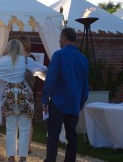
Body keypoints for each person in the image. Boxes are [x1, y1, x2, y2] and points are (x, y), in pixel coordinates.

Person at [0, 39, 47, 162]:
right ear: (20, 48)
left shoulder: (3, 61)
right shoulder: (27, 60)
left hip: (9, 96)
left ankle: (11, 157)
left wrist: (0, 71)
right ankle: (23, 157)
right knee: (25, 128)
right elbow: (44, 71)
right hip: (25, 97)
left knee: (10, 128)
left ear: (8, 48)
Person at [41, 27, 89, 162]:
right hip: (74, 102)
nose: (58, 41)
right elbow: (85, 84)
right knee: (72, 136)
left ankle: (50, 160)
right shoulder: (83, 58)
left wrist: (44, 99)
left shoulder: (59, 55)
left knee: (53, 135)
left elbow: (51, 79)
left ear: (64, 38)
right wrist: (81, 102)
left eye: (59, 38)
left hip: (58, 102)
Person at [18, 36, 40, 154]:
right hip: (20, 93)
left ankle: (27, 146)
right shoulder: (17, 59)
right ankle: (23, 146)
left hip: (27, 93)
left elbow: (40, 73)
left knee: (28, 121)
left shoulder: (30, 59)